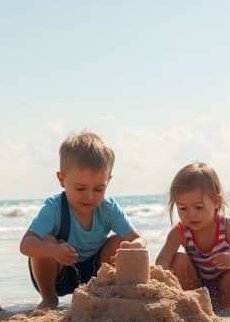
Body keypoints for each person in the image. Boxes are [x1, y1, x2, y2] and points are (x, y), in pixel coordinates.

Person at [20, 131, 145, 309]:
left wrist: (136, 245)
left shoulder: (108, 208)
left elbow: (137, 238)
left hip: (96, 274)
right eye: (80, 188)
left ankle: (109, 293)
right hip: (59, 273)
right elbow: (26, 244)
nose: (89, 197)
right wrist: (53, 250)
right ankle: (49, 299)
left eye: (99, 189)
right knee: (45, 239)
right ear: (62, 179)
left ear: (108, 181)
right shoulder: (54, 208)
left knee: (120, 242)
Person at [155, 162, 230, 310]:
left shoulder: (226, 227)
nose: (191, 214)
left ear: (216, 202)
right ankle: (195, 302)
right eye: (183, 208)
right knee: (178, 260)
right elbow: (163, 259)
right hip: (194, 284)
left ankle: (225, 306)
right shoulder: (179, 232)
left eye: (198, 207)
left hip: (224, 285)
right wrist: (159, 278)